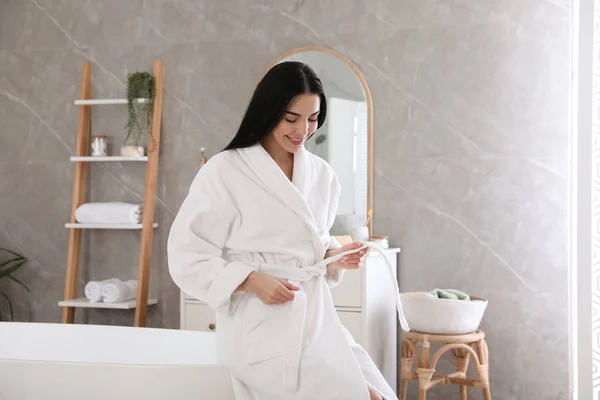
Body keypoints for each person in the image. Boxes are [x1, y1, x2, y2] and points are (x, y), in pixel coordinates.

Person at [167, 61, 396, 400]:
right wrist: (251, 280)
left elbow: (314, 241)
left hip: (316, 320)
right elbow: (186, 254)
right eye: (292, 118)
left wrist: (335, 256)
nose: (303, 129)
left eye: (313, 118)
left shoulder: (321, 174)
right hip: (260, 327)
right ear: (269, 111)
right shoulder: (225, 171)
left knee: (379, 392)